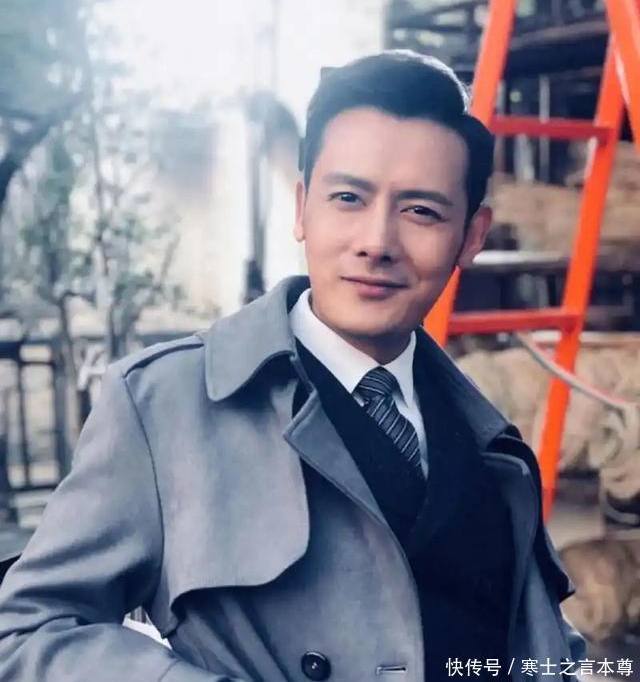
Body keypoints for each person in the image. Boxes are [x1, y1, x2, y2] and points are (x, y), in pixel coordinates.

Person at [0, 50, 586, 681]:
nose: (377, 242)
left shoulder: (493, 444)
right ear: (303, 207)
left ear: (471, 235)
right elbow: (28, 631)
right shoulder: (163, 407)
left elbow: (543, 655)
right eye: (348, 198)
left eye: (421, 211)